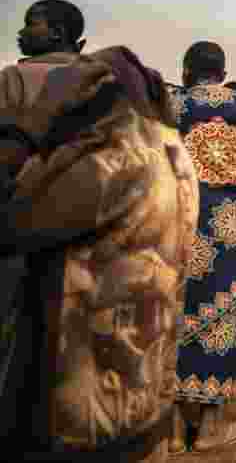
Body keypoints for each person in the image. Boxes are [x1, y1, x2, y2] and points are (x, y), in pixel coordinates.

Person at [1, 29, 197, 460]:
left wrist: (25, 127)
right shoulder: (177, 155)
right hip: (144, 400)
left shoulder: (113, 156)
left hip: (85, 415)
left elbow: (9, 222)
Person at [170, 41, 236, 453]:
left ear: (188, 69)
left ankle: (169, 431)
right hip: (230, 226)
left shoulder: (173, 104)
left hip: (176, 220)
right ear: (222, 72)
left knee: (171, 314)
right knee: (222, 314)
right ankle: (208, 428)